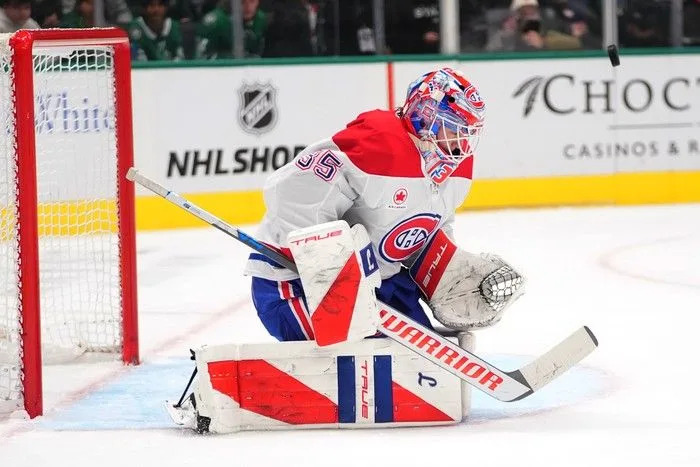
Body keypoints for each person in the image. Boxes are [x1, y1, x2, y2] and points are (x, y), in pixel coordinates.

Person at [244, 68, 524, 343]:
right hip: (293, 283)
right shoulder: (379, 143)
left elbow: (431, 224)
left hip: (382, 285)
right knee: (367, 361)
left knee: (423, 364)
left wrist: (445, 271)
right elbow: (293, 191)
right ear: (425, 116)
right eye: (454, 130)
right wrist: (330, 265)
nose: (462, 145)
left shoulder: (457, 166)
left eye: (469, 134)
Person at [485, 0, 580, 51]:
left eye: (532, 10)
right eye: (524, 12)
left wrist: (544, 43)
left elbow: (575, 44)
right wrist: (507, 35)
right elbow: (490, 52)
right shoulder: (507, 33)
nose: (529, 15)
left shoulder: (548, 30)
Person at [195, 0, 266, 59]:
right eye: (242, 2)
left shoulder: (260, 19)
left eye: (252, 1)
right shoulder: (215, 21)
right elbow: (202, 56)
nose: (248, 7)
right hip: (218, 70)